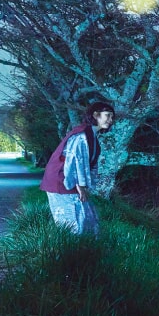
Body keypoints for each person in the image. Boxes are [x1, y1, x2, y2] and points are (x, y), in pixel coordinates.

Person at [40, 101, 113, 235]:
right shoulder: (82, 135)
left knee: (89, 221)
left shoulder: (92, 136)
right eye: (107, 115)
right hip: (62, 181)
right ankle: (70, 253)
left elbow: (89, 164)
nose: (110, 120)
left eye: (112, 117)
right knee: (73, 224)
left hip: (71, 180)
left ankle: (88, 252)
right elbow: (74, 161)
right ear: (96, 115)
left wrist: (86, 186)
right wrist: (81, 187)